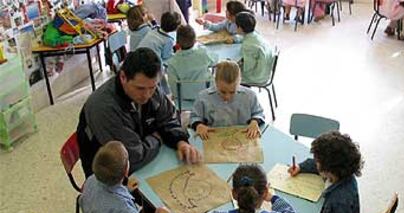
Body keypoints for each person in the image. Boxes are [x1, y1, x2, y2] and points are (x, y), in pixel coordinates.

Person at [77, 48, 200, 178]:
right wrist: (158, 137)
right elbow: (132, 158)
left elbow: (169, 117)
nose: (147, 95)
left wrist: (180, 141)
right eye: (140, 88)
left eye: (152, 87)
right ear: (123, 77)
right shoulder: (104, 107)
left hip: (146, 156)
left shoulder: (149, 86)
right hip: (110, 177)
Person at [190, 61, 265, 140]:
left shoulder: (250, 96)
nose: (227, 97)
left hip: (243, 139)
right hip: (213, 139)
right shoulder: (203, 97)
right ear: (215, 82)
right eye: (222, 92)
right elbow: (195, 117)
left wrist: (254, 122)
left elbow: (258, 113)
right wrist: (199, 125)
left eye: (232, 92)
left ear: (239, 82)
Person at [167, 25, 218, 100]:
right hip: (206, 94)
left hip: (183, 99)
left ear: (177, 42)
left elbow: (173, 87)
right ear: (195, 40)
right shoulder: (203, 53)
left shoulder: (172, 62)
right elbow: (215, 60)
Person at [235, 12, 273, 85]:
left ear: (239, 27)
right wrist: (235, 39)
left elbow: (248, 67)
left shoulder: (247, 46)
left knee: (227, 74)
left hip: (256, 77)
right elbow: (244, 37)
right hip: (265, 73)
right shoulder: (255, 35)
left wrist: (237, 64)